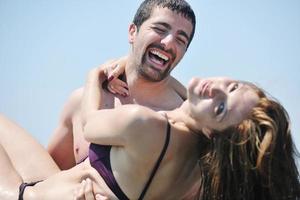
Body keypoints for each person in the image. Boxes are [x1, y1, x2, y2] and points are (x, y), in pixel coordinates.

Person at [1, 65, 299, 199]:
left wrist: (96, 75)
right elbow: (191, 103)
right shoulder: (200, 174)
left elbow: (89, 123)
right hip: (47, 184)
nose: (216, 89)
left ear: (213, 133)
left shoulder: (142, 124)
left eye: (220, 108)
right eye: (233, 87)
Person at [47, 0, 196, 170]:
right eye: (160, 29)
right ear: (133, 32)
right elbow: (49, 177)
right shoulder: (83, 100)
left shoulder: (185, 122)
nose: (169, 42)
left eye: (181, 39)